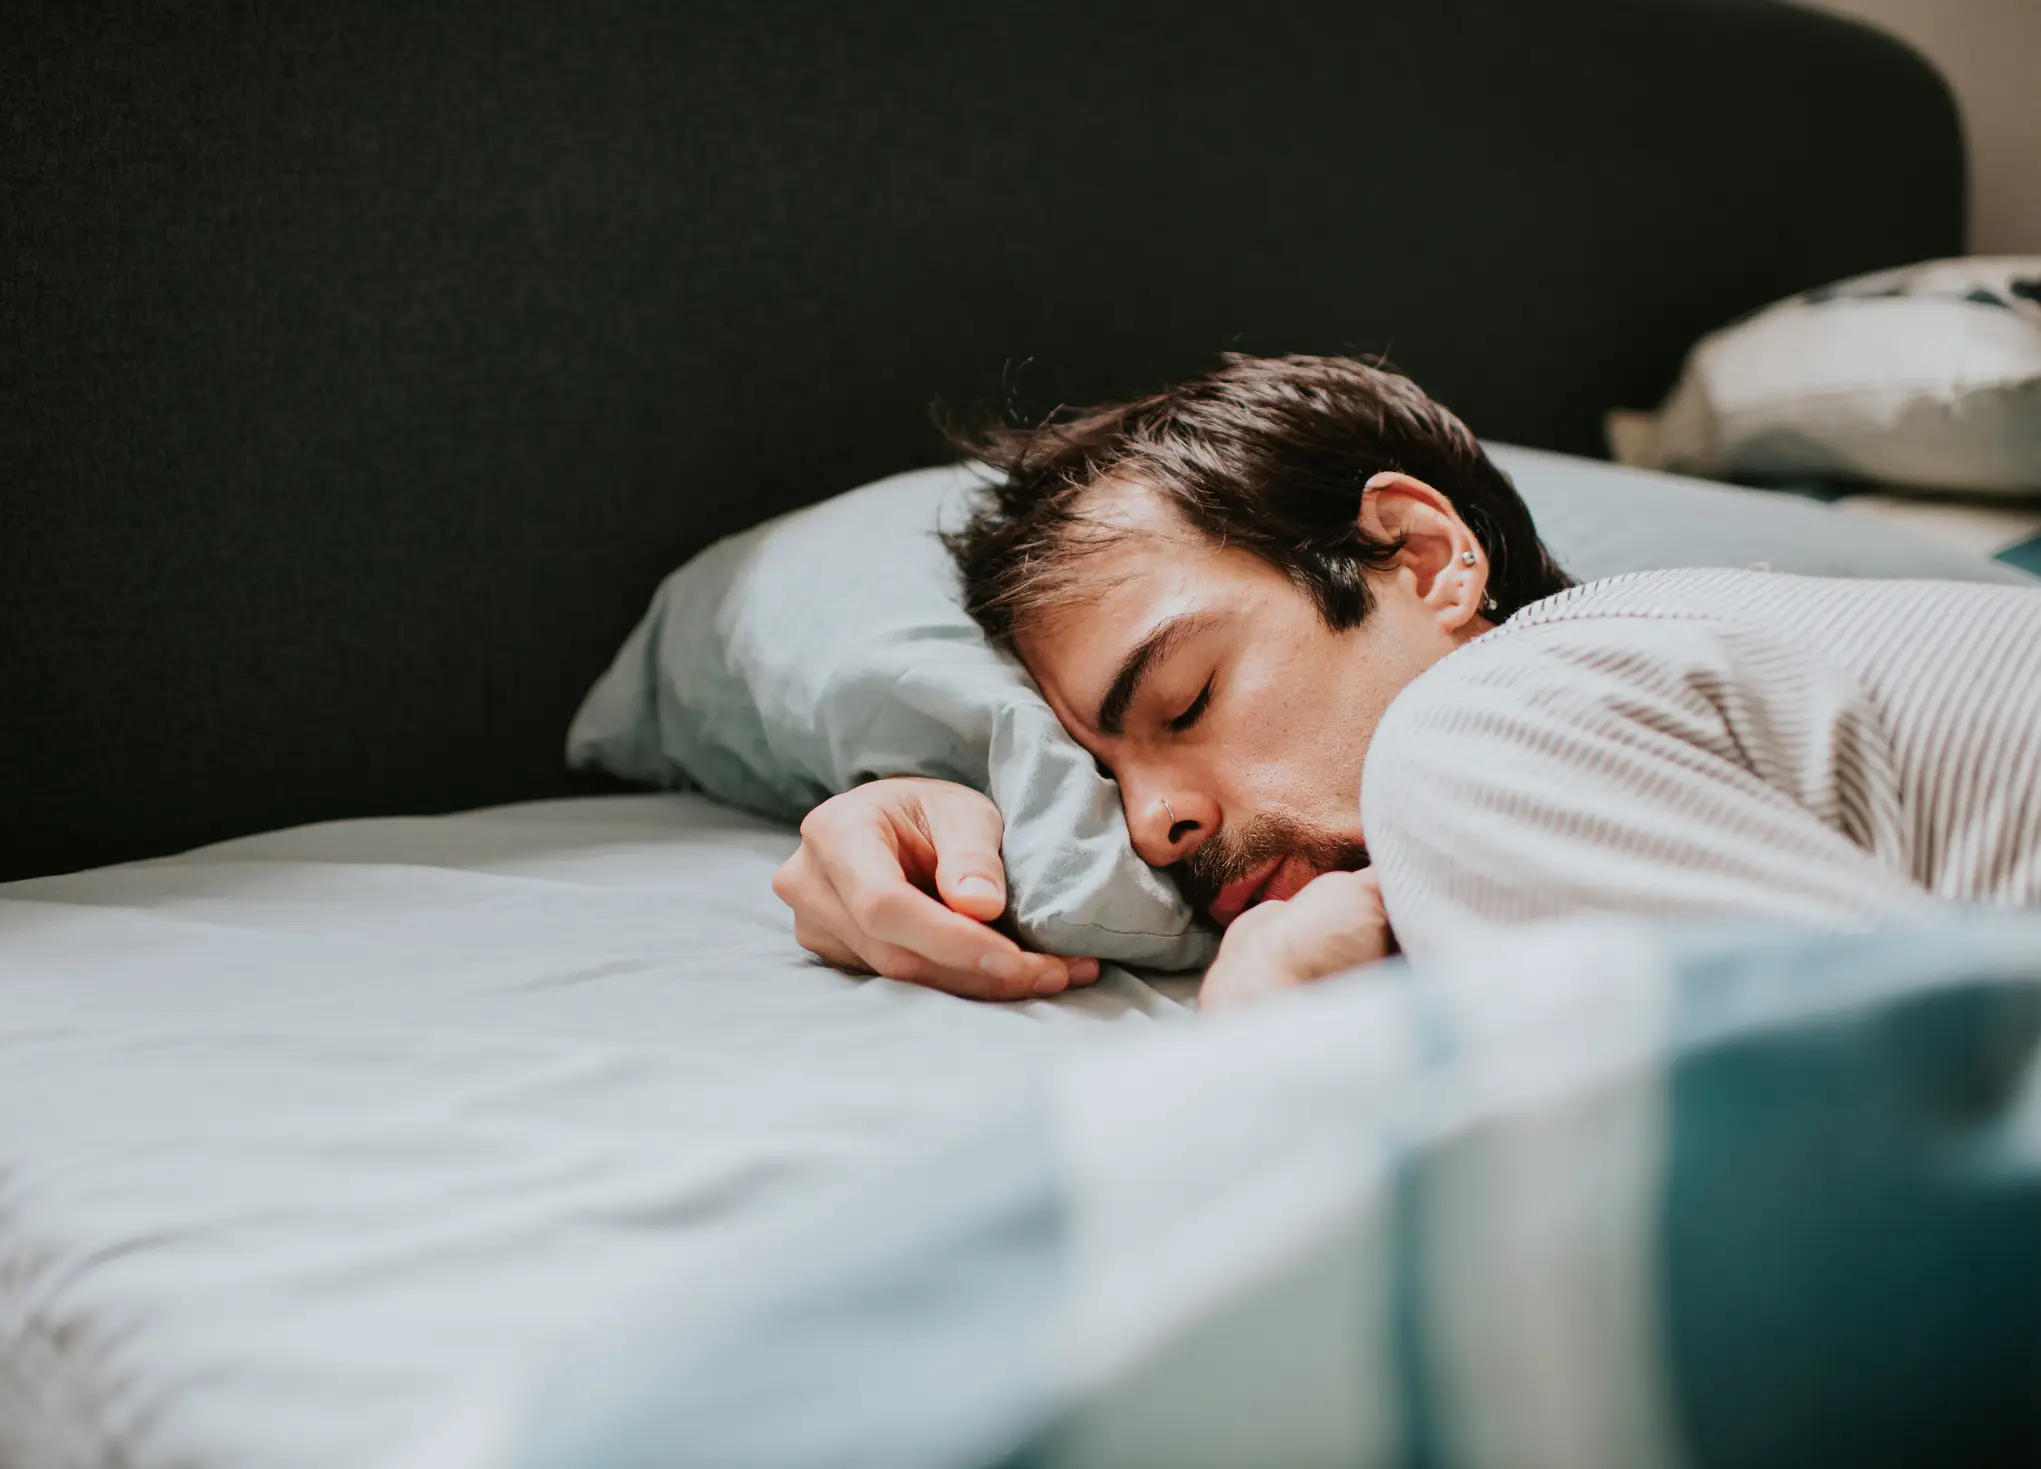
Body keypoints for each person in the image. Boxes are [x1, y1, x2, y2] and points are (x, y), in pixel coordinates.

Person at [771, 354, 2041, 1011]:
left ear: (1424, 557)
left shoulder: (1474, 727)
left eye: (1187, 702)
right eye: (1105, 780)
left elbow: (1886, 1175)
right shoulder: (1710, 672)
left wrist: (1268, 1046)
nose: (1152, 826)